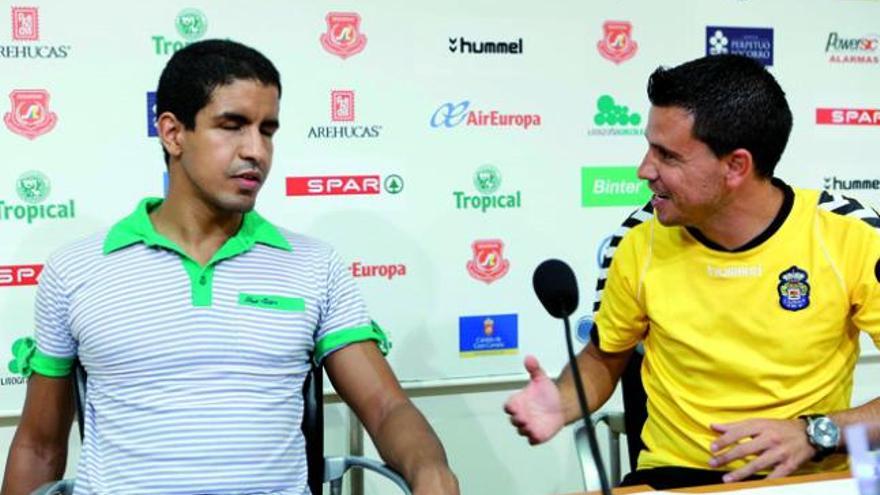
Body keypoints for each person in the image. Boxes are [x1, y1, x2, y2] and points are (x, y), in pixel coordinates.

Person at [2, 39, 459, 495]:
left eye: (268, 130)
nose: (256, 151)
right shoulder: (75, 270)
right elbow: (39, 447)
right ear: (173, 133)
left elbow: (385, 407)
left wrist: (430, 469)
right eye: (233, 126)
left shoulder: (315, 266)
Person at [505, 54, 880, 489]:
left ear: (735, 166)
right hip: (676, 478)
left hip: (802, 478)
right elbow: (602, 360)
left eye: (667, 155)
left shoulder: (851, 236)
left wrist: (817, 432)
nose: (645, 170)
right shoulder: (635, 241)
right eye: (649, 147)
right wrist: (563, 400)